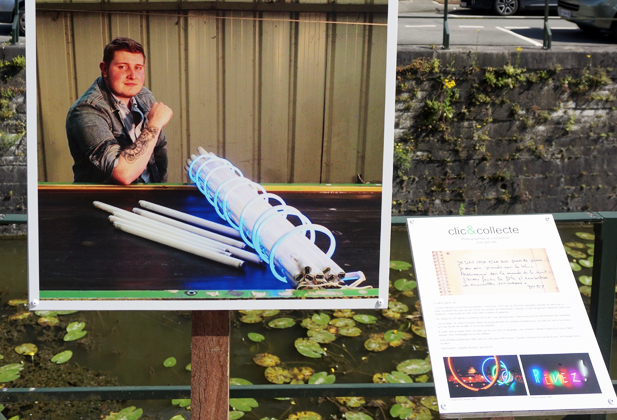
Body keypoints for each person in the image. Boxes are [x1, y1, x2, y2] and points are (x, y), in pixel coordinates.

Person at [66, 37, 173, 184]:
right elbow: (122, 174)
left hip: (148, 193)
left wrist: (161, 189)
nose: (132, 76)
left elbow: (159, 149)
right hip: (108, 197)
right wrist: (154, 124)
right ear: (104, 69)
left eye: (138, 68)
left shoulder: (144, 95)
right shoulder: (87, 110)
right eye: (122, 67)